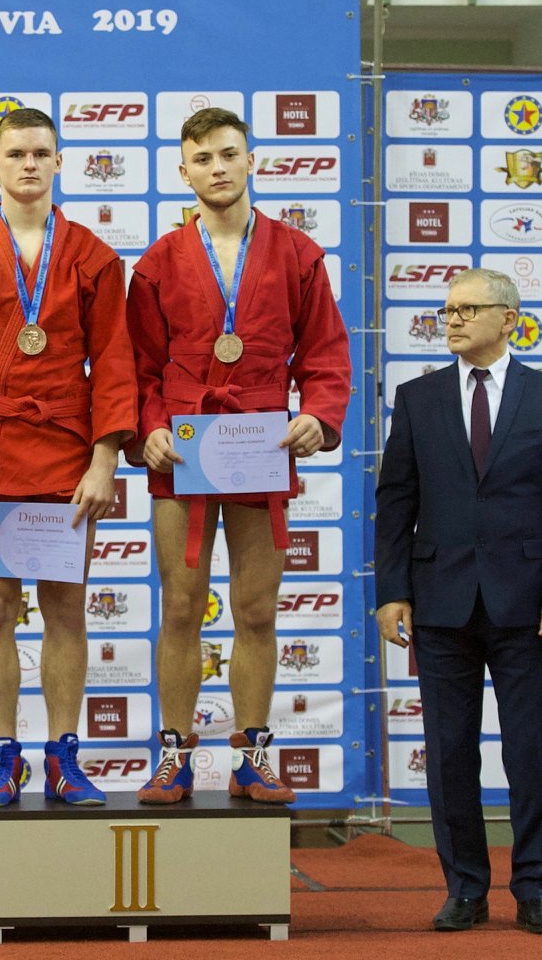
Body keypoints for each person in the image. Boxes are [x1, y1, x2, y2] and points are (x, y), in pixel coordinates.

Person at [126, 107, 350, 804]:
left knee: (256, 610)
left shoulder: (296, 253)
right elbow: (139, 367)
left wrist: (318, 415)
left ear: (252, 160)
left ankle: (252, 755)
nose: (217, 168)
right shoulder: (158, 263)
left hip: (260, 442)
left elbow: (324, 353)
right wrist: (149, 428)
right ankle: (173, 755)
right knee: (181, 608)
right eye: (203, 158)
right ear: (183, 171)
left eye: (229, 154)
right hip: (184, 449)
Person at [0, 107, 136, 806]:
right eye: (15, 154)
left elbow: (115, 362)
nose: (29, 164)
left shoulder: (93, 258)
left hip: (69, 450)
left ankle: (65, 756)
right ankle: (3, 757)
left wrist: (104, 461)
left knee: (66, 607)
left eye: (41, 152)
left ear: (59, 161)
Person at [376, 268, 542, 935]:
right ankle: (464, 888)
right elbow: (396, 501)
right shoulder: (417, 397)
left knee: (531, 754)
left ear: (508, 318)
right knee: (448, 755)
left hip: (526, 607)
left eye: (467, 309)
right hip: (440, 603)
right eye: (447, 311)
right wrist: (391, 591)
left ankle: (535, 888)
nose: (453, 320)